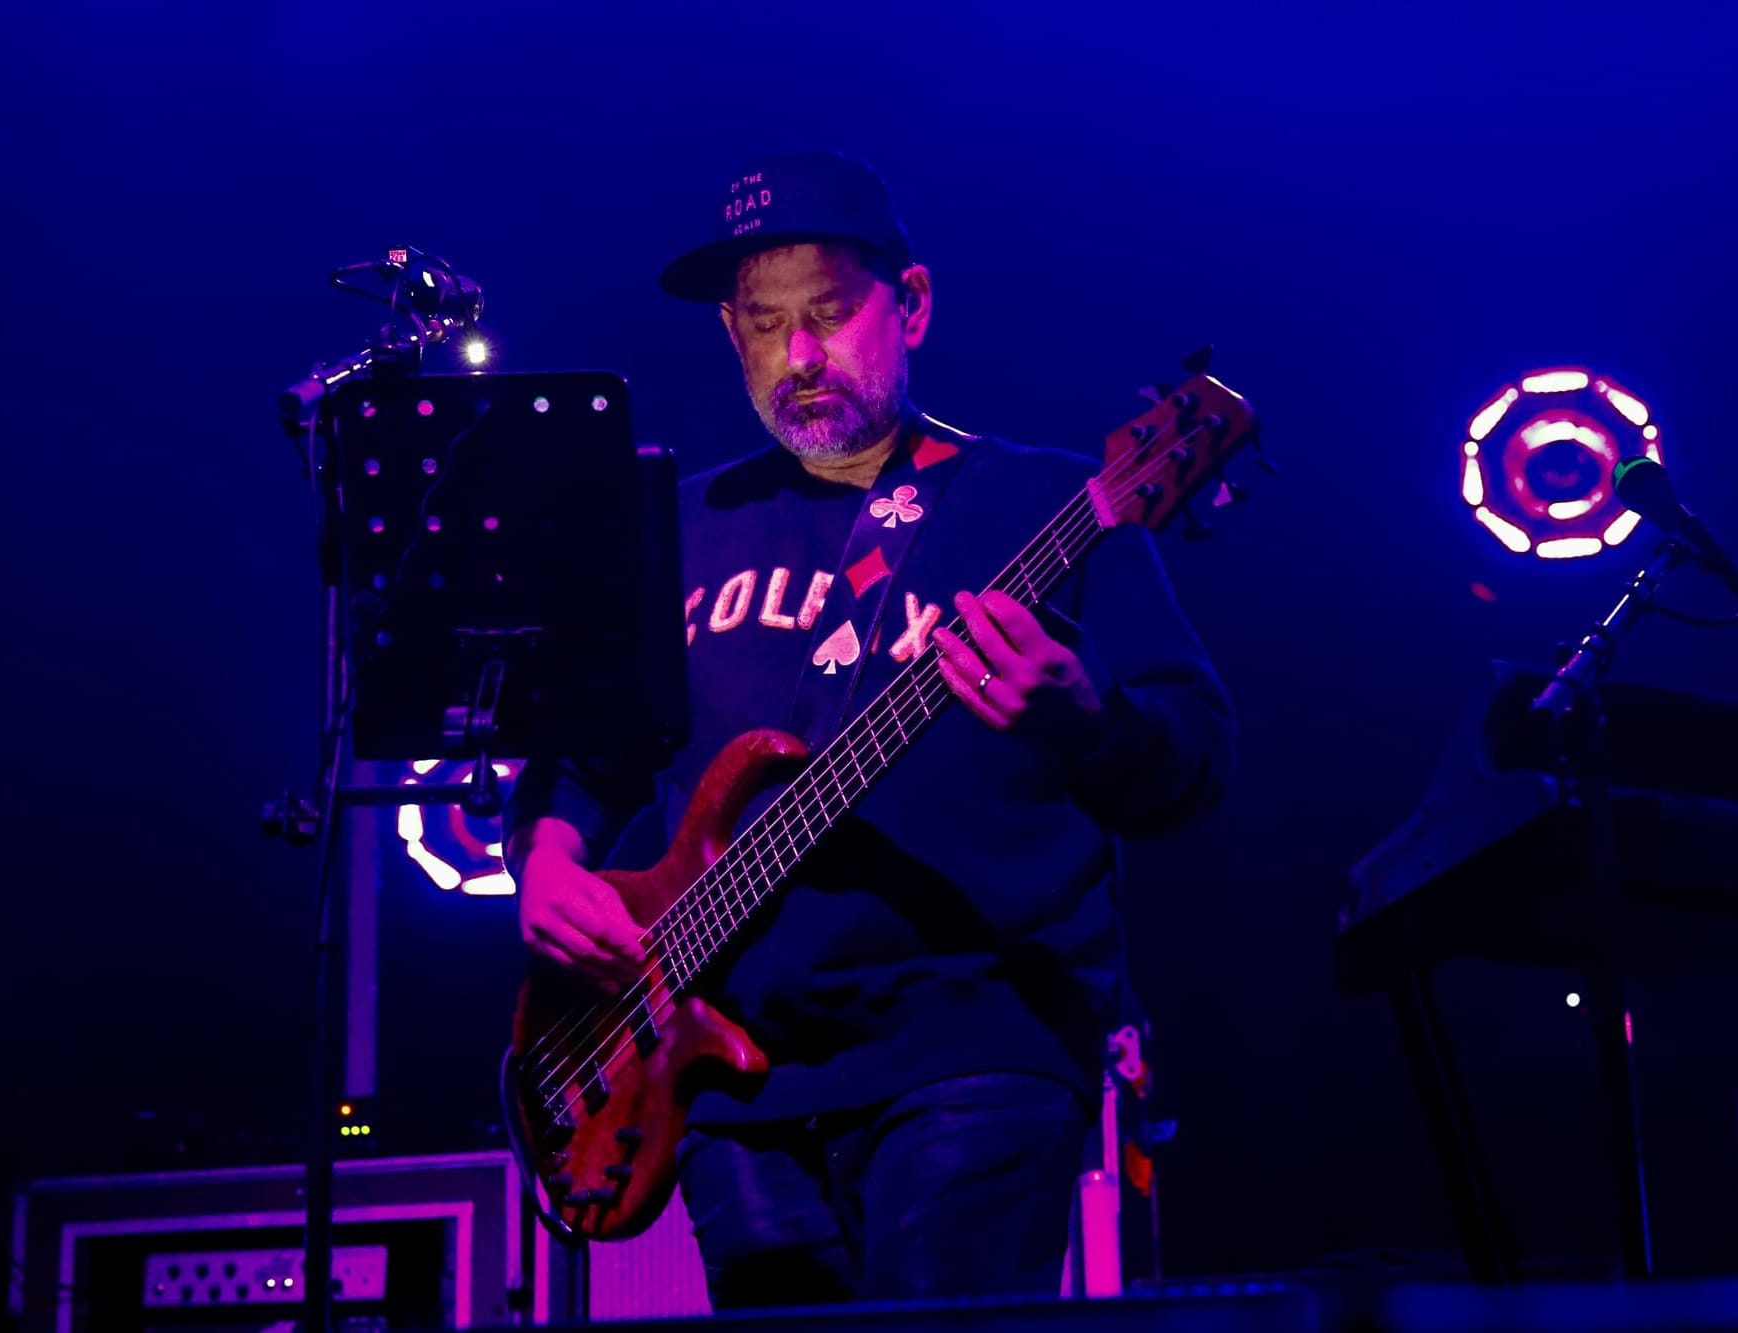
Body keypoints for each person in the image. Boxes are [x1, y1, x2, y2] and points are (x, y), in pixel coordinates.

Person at [505, 149, 1233, 1308]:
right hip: (721, 1073)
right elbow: (584, 758)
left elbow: (1191, 769)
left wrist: (1085, 716)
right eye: (762, 324)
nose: (799, 357)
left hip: (973, 1046)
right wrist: (545, 864)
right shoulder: (682, 526)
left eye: (832, 315)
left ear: (916, 304)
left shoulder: (1054, 506)